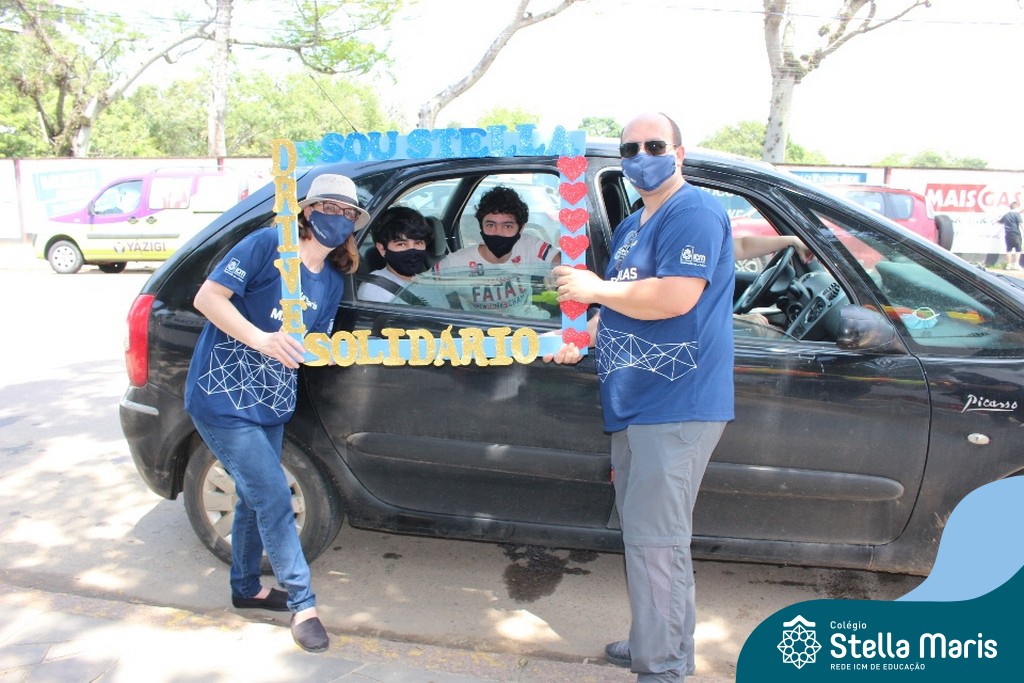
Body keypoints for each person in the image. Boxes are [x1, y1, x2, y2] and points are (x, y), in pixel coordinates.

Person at [547, 112, 734, 682]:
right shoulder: (633, 224)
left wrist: (596, 287)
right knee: (650, 537)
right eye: (630, 149)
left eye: (654, 145)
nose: (641, 156)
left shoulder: (692, 211)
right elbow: (621, 305)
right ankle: (659, 641)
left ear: (679, 152)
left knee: (656, 542)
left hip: (676, 401)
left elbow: (676, 297)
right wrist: (580, 337)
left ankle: (663, 667)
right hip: (635, 402)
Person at [184, 173, 368, 654]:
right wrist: (262, 339)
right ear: (307, 211)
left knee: (252, 497)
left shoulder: (331, 279)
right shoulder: (269, 245)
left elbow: (314, 344)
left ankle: (246, 589)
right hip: (223, 396)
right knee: (272, 497)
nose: (338, 218)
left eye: (348, 213)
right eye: (329, 207)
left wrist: (347, 350)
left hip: (272, 402)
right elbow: (207, 298)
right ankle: (303, 605)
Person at [433, 185, 559, 317]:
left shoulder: (530, 245)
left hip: (527, 322)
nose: (498, 232)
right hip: (480, 328)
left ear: (521, 228)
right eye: (491, 225)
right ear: (481, 226)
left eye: (507, 226)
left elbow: (563, 262)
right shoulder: (456, 263)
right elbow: (423, 292)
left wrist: (556, 272)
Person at [356, 206, 449, 306]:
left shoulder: (428, 281)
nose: (412, 250)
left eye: (418, 242)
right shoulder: (374, 289)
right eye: (401, 244)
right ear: (382, 249)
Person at [996, 201, 1022, 270]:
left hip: (1007, 234)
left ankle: (1009, 265)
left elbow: (1000, 221)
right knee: (1018, 249)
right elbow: (1021, 223)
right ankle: (1016, 264)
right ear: (1016, 207)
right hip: (1016, 233)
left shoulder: (1006, 215)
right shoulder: (1017, 214)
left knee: (1008, 249)